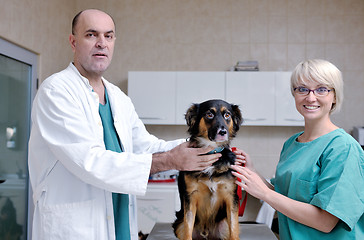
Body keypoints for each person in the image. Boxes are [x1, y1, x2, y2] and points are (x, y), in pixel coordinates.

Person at [28, 9, 221, 240]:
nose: (102, 43)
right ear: (73, 42)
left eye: (108, 36)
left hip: (118, 224)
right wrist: (170, 160)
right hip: (76, 228)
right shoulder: (56, 91)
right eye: (91, 35)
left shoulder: (118, 97)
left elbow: (146, 146)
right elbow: (89, 161)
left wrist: (200, 146)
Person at [231, 59, 364, 239]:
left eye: (322, 89)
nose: (310, 97)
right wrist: (253, 172)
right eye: (302, 89)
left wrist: (264, 193)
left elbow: (325, 221)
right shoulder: (292, 143)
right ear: (294, 94)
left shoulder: (343, 148)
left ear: (334, 95)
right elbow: (281, 195)